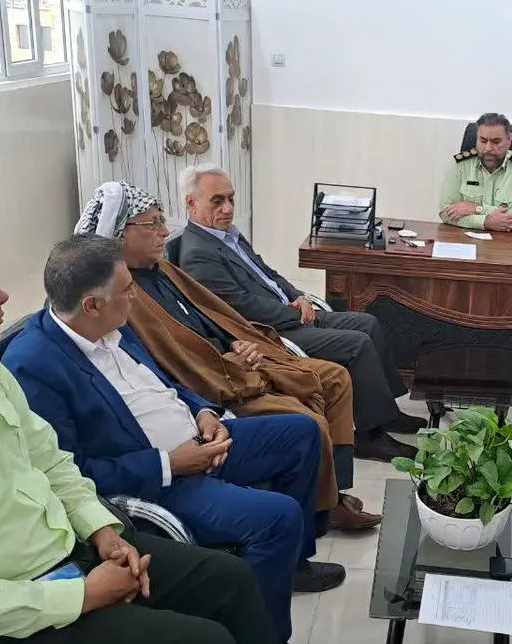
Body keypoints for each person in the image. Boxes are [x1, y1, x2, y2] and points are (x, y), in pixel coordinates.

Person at [0, 228, 282, 644]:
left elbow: (50, 459)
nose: (2, 296)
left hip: (64, 544)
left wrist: (101, 529)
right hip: (10, 600)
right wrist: (83, 595)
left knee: (230, 580)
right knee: (206, 643)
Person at [3, 235, 348, 644]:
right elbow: (71, 470)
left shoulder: (112, 325)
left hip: (200, 438)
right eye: (127, 289)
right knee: (278, 516)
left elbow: (166, 384)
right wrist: (172, 464)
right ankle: (264, 639)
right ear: (92, 304)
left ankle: (290, 567)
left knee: (302, 432)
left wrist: (204, 412)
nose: (135, 295)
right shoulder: (35, 364)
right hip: (161, 480)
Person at [74, 181, 396, 532]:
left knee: (334, 378)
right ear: (119, 236)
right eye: (152, 224)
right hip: (213, 382)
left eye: (161, 221)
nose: (164, 231)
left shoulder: (162, 270)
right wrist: (229, 361)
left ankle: (335, 494)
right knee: (310, 418)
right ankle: (321, 510)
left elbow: (213, 314)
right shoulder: (122, 299)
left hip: (235, 357)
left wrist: (237, 342)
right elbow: (169, 365)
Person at [175, 164, 424, 438]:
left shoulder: (227, 234)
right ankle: (370, 436)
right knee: (357, 343)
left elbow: (268, 274)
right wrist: (295, 313)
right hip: (269, 331)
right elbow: (239, 306)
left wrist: (298, 296)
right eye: (217, 201)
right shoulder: (198, 253)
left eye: (231, 198)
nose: (228, 208)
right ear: (191, 203)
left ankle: (386, 413)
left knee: (369, 323)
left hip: (289, 312)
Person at [438, 112, 512, 232]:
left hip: (507, 240)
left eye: (496, 142)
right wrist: (485, 222)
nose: (488, 148)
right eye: (483, 141)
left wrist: (477, 209)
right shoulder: (460, 164)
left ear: (509, 139)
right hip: (465, 237)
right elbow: (446, 212)